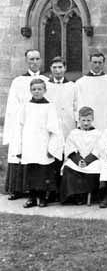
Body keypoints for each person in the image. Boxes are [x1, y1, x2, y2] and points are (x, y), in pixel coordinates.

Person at [10, 78, 64, 208]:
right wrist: (19, 147)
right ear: (30, 90)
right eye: (34, 89)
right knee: (31, 171)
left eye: (40, 89)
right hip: (29, 144)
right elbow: (20, 126)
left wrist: (52, 147)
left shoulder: (49, 106)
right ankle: (32, 197)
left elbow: (55, 129)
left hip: (43, 144)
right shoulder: (26, 106)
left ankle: (42, 197)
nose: (37, 92)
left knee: (43, 171)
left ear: (45, 90)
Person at [3, 49, 49, 200]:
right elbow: (12, 105)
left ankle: (34, 190)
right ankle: (17, 190)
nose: (34, 62)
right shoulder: (18, 81)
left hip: (39, 124)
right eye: (31, 59)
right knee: (19, 152)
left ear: (40, 60)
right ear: (26, 61)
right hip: (21, 122)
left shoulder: (46, 80)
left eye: (37, 59)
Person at [59, 107, 102, 205]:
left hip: (92, 160)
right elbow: (70, 148)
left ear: (92, 120)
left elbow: (98, 149)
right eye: (83, 120)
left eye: (88, 120)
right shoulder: (74, 133)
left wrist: (87, 161)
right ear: (79, 119)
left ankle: (87, 195)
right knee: (68, 168)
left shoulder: (97, 134)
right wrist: (78, 160)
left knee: (96, 168)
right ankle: (74, 196)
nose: (86, 123)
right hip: (76, 159)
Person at [75, 53, 107, 131]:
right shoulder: (80, 83)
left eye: (100, 62)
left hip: (106, 121)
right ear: (90, 63)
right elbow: (78, 104)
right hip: (88, 122)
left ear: (103, 63)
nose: (97, 65)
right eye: (95, 62)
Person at [45, 56, 77, 139]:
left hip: (68, 122)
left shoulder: (72, 86)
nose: (57, 70)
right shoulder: (46, 86)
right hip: (52, 122)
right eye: (54, 67)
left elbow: (76, 106)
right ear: (50, 69)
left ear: (65, 68)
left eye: (60, 67)